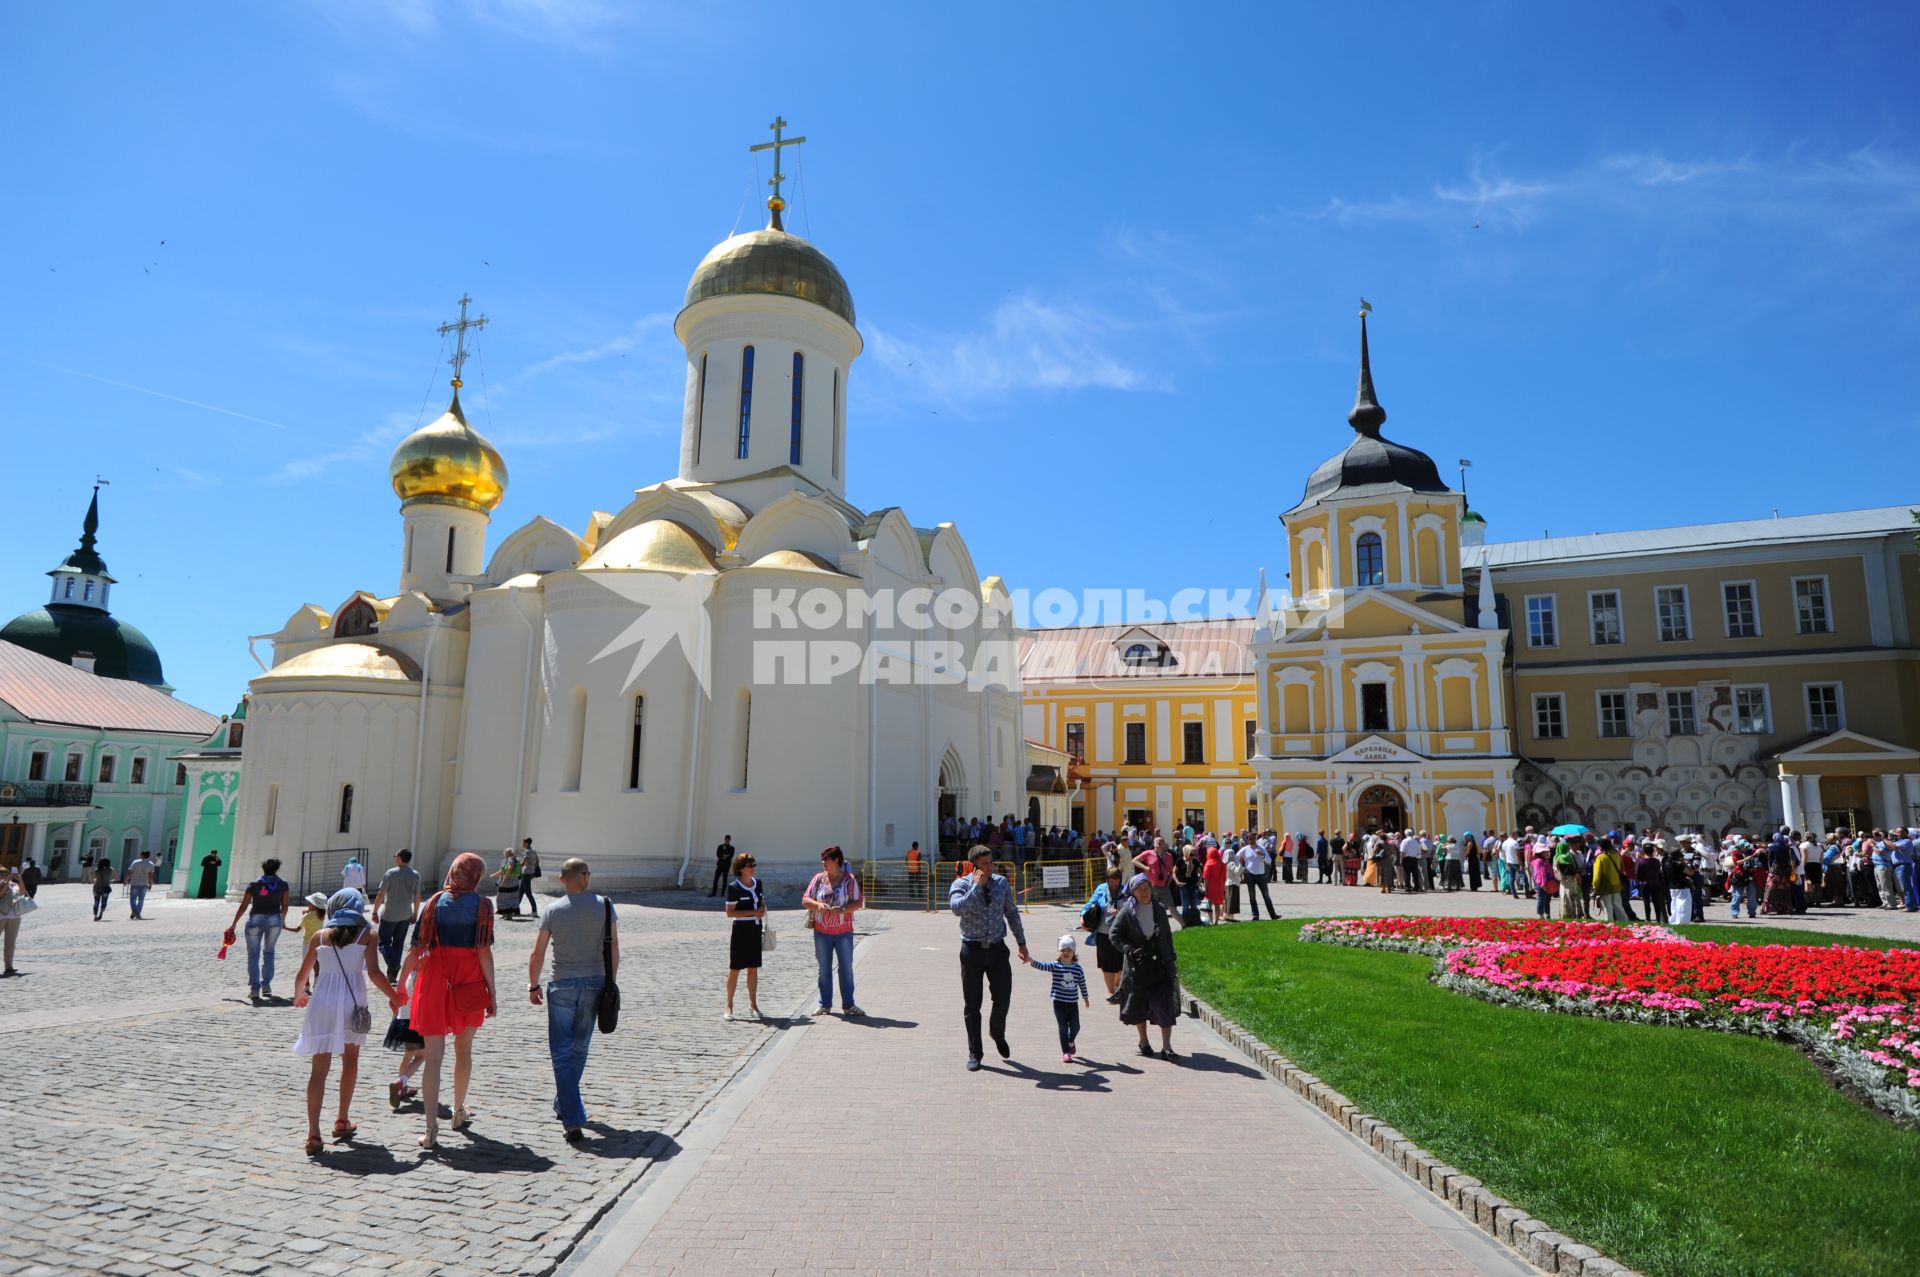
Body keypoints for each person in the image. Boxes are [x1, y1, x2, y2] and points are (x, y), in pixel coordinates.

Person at [398, 852, 498, 1151]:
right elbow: (484, 953)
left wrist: (401, 985)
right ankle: (458, 1110)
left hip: (433, 980)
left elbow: (415, 951)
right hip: (468, 980)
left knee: (433, 1057)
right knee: (463, 1051)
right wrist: (492, 993)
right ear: (477, 876)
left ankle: (430, 1130)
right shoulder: (483, 906)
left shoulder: (432, 903)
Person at [290, 889, 398, 1156]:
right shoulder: (368, 936)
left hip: (322, 1004)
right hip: (352, 1004)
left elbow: (302, 975)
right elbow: (373, 973)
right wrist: (394, 996)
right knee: (350, 1061)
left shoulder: (319, 936)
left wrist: (299, 995)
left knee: (319, 1070)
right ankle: (341, 1119)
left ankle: (313, 1134)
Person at [528, 857, 616, 1143]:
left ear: (564, 880)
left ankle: (571, 1117)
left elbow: (538, 952)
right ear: (586, 877)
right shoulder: (605, 906)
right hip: (594, 983)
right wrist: (610, 982)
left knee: (561, 1053)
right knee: (578, 1049)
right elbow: (614, 947)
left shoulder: (552, 910)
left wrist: (533, 984)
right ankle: (567, 1106)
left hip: (562, 983)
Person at [948, 843, 1030, 1070]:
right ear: (973, 867)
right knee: (972, 1005)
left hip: (997, 950)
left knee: (1003, 997)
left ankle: (997, 1030)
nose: (990, 867)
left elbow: (1012, 913)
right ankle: (975, 1052)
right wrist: (976, 887)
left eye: (991, 862)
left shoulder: (1001, 884)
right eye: (985, 864)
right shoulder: (961, 885)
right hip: (971, 951)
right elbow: (956, 908)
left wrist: (1021, 943)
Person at [1113, 873, 1180, 1059]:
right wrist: (1129, 950)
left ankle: (1167, 1047)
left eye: (1146, 888)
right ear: (1133, 893)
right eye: (1139, 889)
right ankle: (1144, 1041)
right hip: (1138, 967)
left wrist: (1171, 959)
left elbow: (1167, 936)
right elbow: (1114, 935)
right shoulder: (1127, 912)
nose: (1144, 893)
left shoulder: (1158, 909)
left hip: (1160, 964)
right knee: (1139, 1006)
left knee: (1164, 1005)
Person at [803, 847, 863, 1017]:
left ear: (837, 860)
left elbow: (858, 902)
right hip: (822, 932)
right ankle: (825, 1005)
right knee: (824, 970)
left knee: (846, 969)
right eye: (822, 859)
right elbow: (805, 899)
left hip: (844, 932)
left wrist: (843, 910)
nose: (823, 862)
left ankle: (849, 1005)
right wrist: (817, 905)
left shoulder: (849, 880)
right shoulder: (818, 879)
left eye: (826, 859)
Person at [228, 859, 291, 1002]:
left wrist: (234, 924)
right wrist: (282, 919)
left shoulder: (254, 884)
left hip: (255, 919)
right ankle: (267, 985)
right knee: (269, 952)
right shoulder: (283, 884)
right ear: (277, 869)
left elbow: (244, 906)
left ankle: (254, 989)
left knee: (253, 955)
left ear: (263, 869)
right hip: (275, 920)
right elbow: (285, 905)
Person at [1030, 934, 1091, 1063]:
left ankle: (1070, 1040)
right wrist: (1031, 960)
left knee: (1076, 1027)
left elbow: (1082, 983)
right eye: (1063, 950)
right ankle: (1066, 1052)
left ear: (1073, 952)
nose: (1066, 952)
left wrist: (1085, 997)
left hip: (1072, 1003)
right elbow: (1042, 966)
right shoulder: (1055, 965)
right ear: (1059, 952)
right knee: (1062, 1028)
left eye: (1069, 949)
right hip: (1058, 1002)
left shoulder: (1077, 968)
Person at [723, 851, 765, 1021]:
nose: (753, 868)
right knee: (734, 970)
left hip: (755, 929)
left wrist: (762, 909)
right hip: (741, 930)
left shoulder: (758, 883)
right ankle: (729, 1006)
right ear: (741, 869)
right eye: (750, 866)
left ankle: (753, 1004)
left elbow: (761, 902)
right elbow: (730, 912)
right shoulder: (734, 887)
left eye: (754, 865)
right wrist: (754, 912)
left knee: (753, 969)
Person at [372, 849, 422, 981]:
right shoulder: (415, 875)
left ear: (400, 858)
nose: (395, 858)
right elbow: (417, 897)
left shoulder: (391, 873)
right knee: (399, 943)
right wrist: (415, 913)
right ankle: (392, 975)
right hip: (405, 914)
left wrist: (375, 911)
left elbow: (381, 894)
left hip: (389, 914)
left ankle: (394, 965)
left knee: (383, 942)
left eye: (395, 856)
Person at [1082, 867, 1126, 1002]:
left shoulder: (1126, 891)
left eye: (1116, 879)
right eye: (1111, 879)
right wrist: (1082, 917)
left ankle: (1118, 986)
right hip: (1103, 932)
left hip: (1121, 933)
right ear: (1107, 879)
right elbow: (1089, 905)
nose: (1114, 882)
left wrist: (1119, 912)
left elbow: (1132, 909)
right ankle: (1111, 992)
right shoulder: (1101, 889)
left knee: (1121, 963)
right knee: (1106, 963)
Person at [1590, 838, 1629, 922]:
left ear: (1601, 846)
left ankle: (1610, 927)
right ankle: (1625, 924)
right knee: (1619, 907)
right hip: (1617, 885)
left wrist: (1595, 887)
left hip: (1605, 887)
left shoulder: (1600, 857)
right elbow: (1622, 870)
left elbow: (1597, 876)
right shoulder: (1617, 855)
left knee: (1608, 910)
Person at [1240, 837, 1277, 920]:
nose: (1252, 841)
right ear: (1248, 841)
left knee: (1266, 895)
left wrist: (1262, 855)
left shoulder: (1262, 848)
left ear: (1255, 839)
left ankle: (1273, 915)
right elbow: (1236, 857)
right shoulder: (1245, 849)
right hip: (1249, 875)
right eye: (1250, 839)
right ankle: (1255, 915)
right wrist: (1240, 867)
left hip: (1261, 875)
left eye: (1253, 839)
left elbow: (1269, 861)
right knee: (1252, 896)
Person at [0, 868, 25, 976]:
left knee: (10, 943)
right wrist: (6, 883)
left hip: (14, 916)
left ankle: (9, 966)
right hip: (1, 916)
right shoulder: (2, 884)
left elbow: (22, 893)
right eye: (2, 874)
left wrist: (20, 879)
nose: (4, 876)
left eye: (6, 874)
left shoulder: (14, 885)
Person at [122, 849, 157, 919]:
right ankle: (137, 912)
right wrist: (150, 884)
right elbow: (151, 876)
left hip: (135, 883)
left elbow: (129, 872)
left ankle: (135, 912)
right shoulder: (151, 864)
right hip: (144, 884)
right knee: (141, 899)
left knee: (133, 899)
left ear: (142, 855)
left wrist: (125, 880)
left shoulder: (135, 862)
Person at [493, 848, 524, 919]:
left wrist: (504, 879)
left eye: (504, 853)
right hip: (515, 881)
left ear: (507, 853)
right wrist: (495, 875)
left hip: (508, 881)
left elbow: (509, 869)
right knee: (511, 897)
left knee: (501, 897)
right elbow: (504, 870)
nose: (504, 855)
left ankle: (505, 913)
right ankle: (508, 915)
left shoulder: (510, 860)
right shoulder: (516, 859)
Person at [1201, 845, 1227, 927]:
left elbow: (1206, 878)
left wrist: (1205, 888)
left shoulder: (1208, 864)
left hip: (1210, 886)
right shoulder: (1222, 864)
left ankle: (1211, 921)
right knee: (1217, 905)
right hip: (1219, 886)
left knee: (1209, 904)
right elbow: (1224, 877)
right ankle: (1216, 921)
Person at [517, 837, 543, 918]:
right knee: (520, 892)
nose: (522, 844)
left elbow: (525, 862)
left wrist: (519, 866)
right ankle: (515, 909)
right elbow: (538, 861)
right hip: (531, 873)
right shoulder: (534, 851)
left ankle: (534, 911)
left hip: (526, 874)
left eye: (524, 843)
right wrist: (532, 866)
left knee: (528, 893)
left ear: (527, 843)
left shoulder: (528, 852)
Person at [91, 855, 114, 921]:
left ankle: (95, 916)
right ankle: (101, 913)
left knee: (96, 901)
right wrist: (110, 881)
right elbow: (116, 877)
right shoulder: (110, 870)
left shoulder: (96, 870)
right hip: (105, 888)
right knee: (104, 902)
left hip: (96, 888)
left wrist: (95, 880)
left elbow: (92, 879)